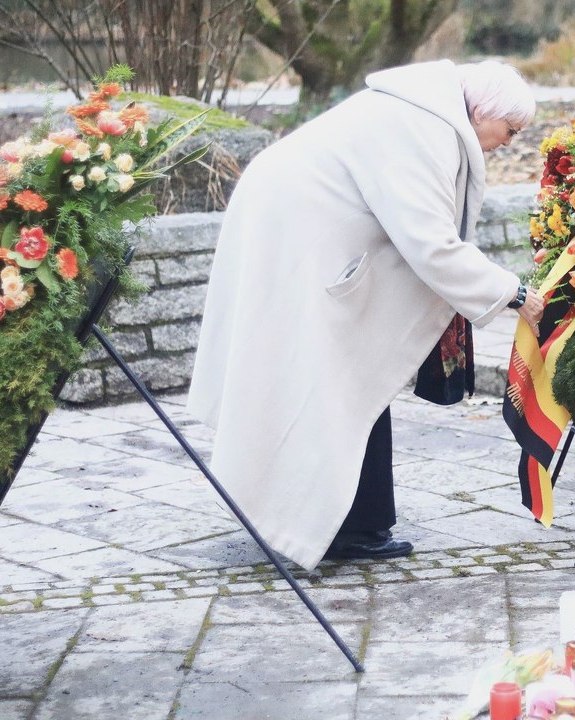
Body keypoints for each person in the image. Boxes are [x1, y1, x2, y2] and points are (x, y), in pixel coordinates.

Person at [187, 60, 546, 568]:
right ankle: (338, 529)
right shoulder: (425, 128)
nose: (509, 142)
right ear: (483, 110)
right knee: (335, 381)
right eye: (509, 130)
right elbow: (431, 243)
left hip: (294, 223)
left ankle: (354, 522)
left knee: (344, 378)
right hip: (294, 233)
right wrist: (514, 294)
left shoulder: (425, 114)